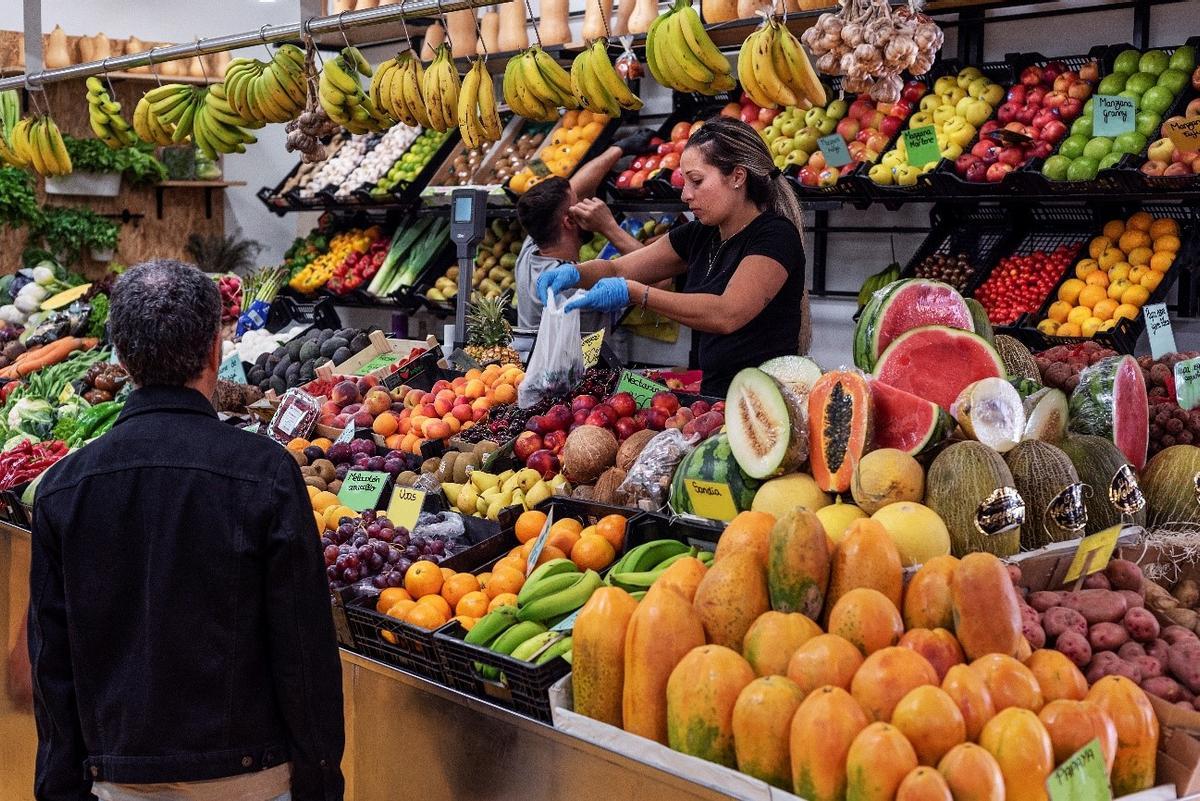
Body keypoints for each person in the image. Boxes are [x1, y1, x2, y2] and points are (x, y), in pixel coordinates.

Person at [28, 260, 345, 801]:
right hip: (252, 779)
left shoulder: (62, 490)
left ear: (123, 360)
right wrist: (319, 782)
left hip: (119, 778)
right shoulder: (267, 475)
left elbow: (53, 669)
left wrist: (60, 789)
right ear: (215, 351)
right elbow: (303, 651)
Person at [537, 117, 809, 397]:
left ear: (738, 177)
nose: (685, 194)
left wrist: (636, 294)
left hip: (767, 402)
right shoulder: (699, 234)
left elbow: (728, 313)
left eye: (696, 181)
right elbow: (617, 268)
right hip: (716, 400)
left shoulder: (775, 236)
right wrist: (574, 273)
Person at [514, 130, 656, 329]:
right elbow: (660, 280)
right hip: (580, 361)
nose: (586, 204)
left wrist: (620, 148)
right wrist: (608, 226)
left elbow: (571, 190)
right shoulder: (574, 283)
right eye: (579, 203)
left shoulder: (531, 251)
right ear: (569, 222)